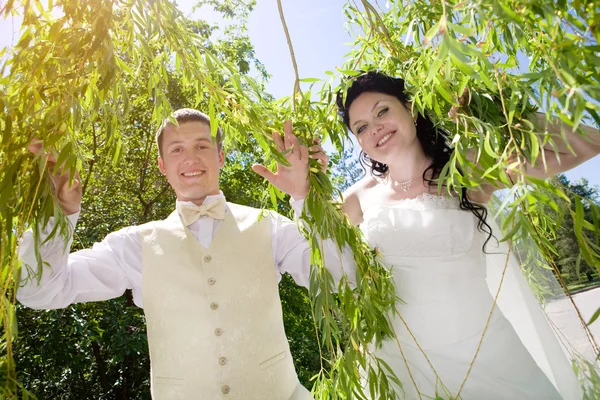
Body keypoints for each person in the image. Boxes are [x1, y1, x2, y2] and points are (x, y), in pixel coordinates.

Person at [18, 108, 352, 400]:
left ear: (221, 156)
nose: (190, 158)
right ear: (162, 165)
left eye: (202, 146)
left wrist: (305, 197)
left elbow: (342, 279)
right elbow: (42, 289)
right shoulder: (134, 245)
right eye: (177, 149)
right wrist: (56, 212)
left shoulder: (271, 227)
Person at [335, 71, 600, 399]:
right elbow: (329, 267)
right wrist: (302, 195)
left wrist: (499, 113)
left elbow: (585, 143)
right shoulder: (355, 199)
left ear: (410, 108)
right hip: (403, 368)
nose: (374, 127)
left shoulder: (467, 169)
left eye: (382, 111)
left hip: (488, 357)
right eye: (360, 127)